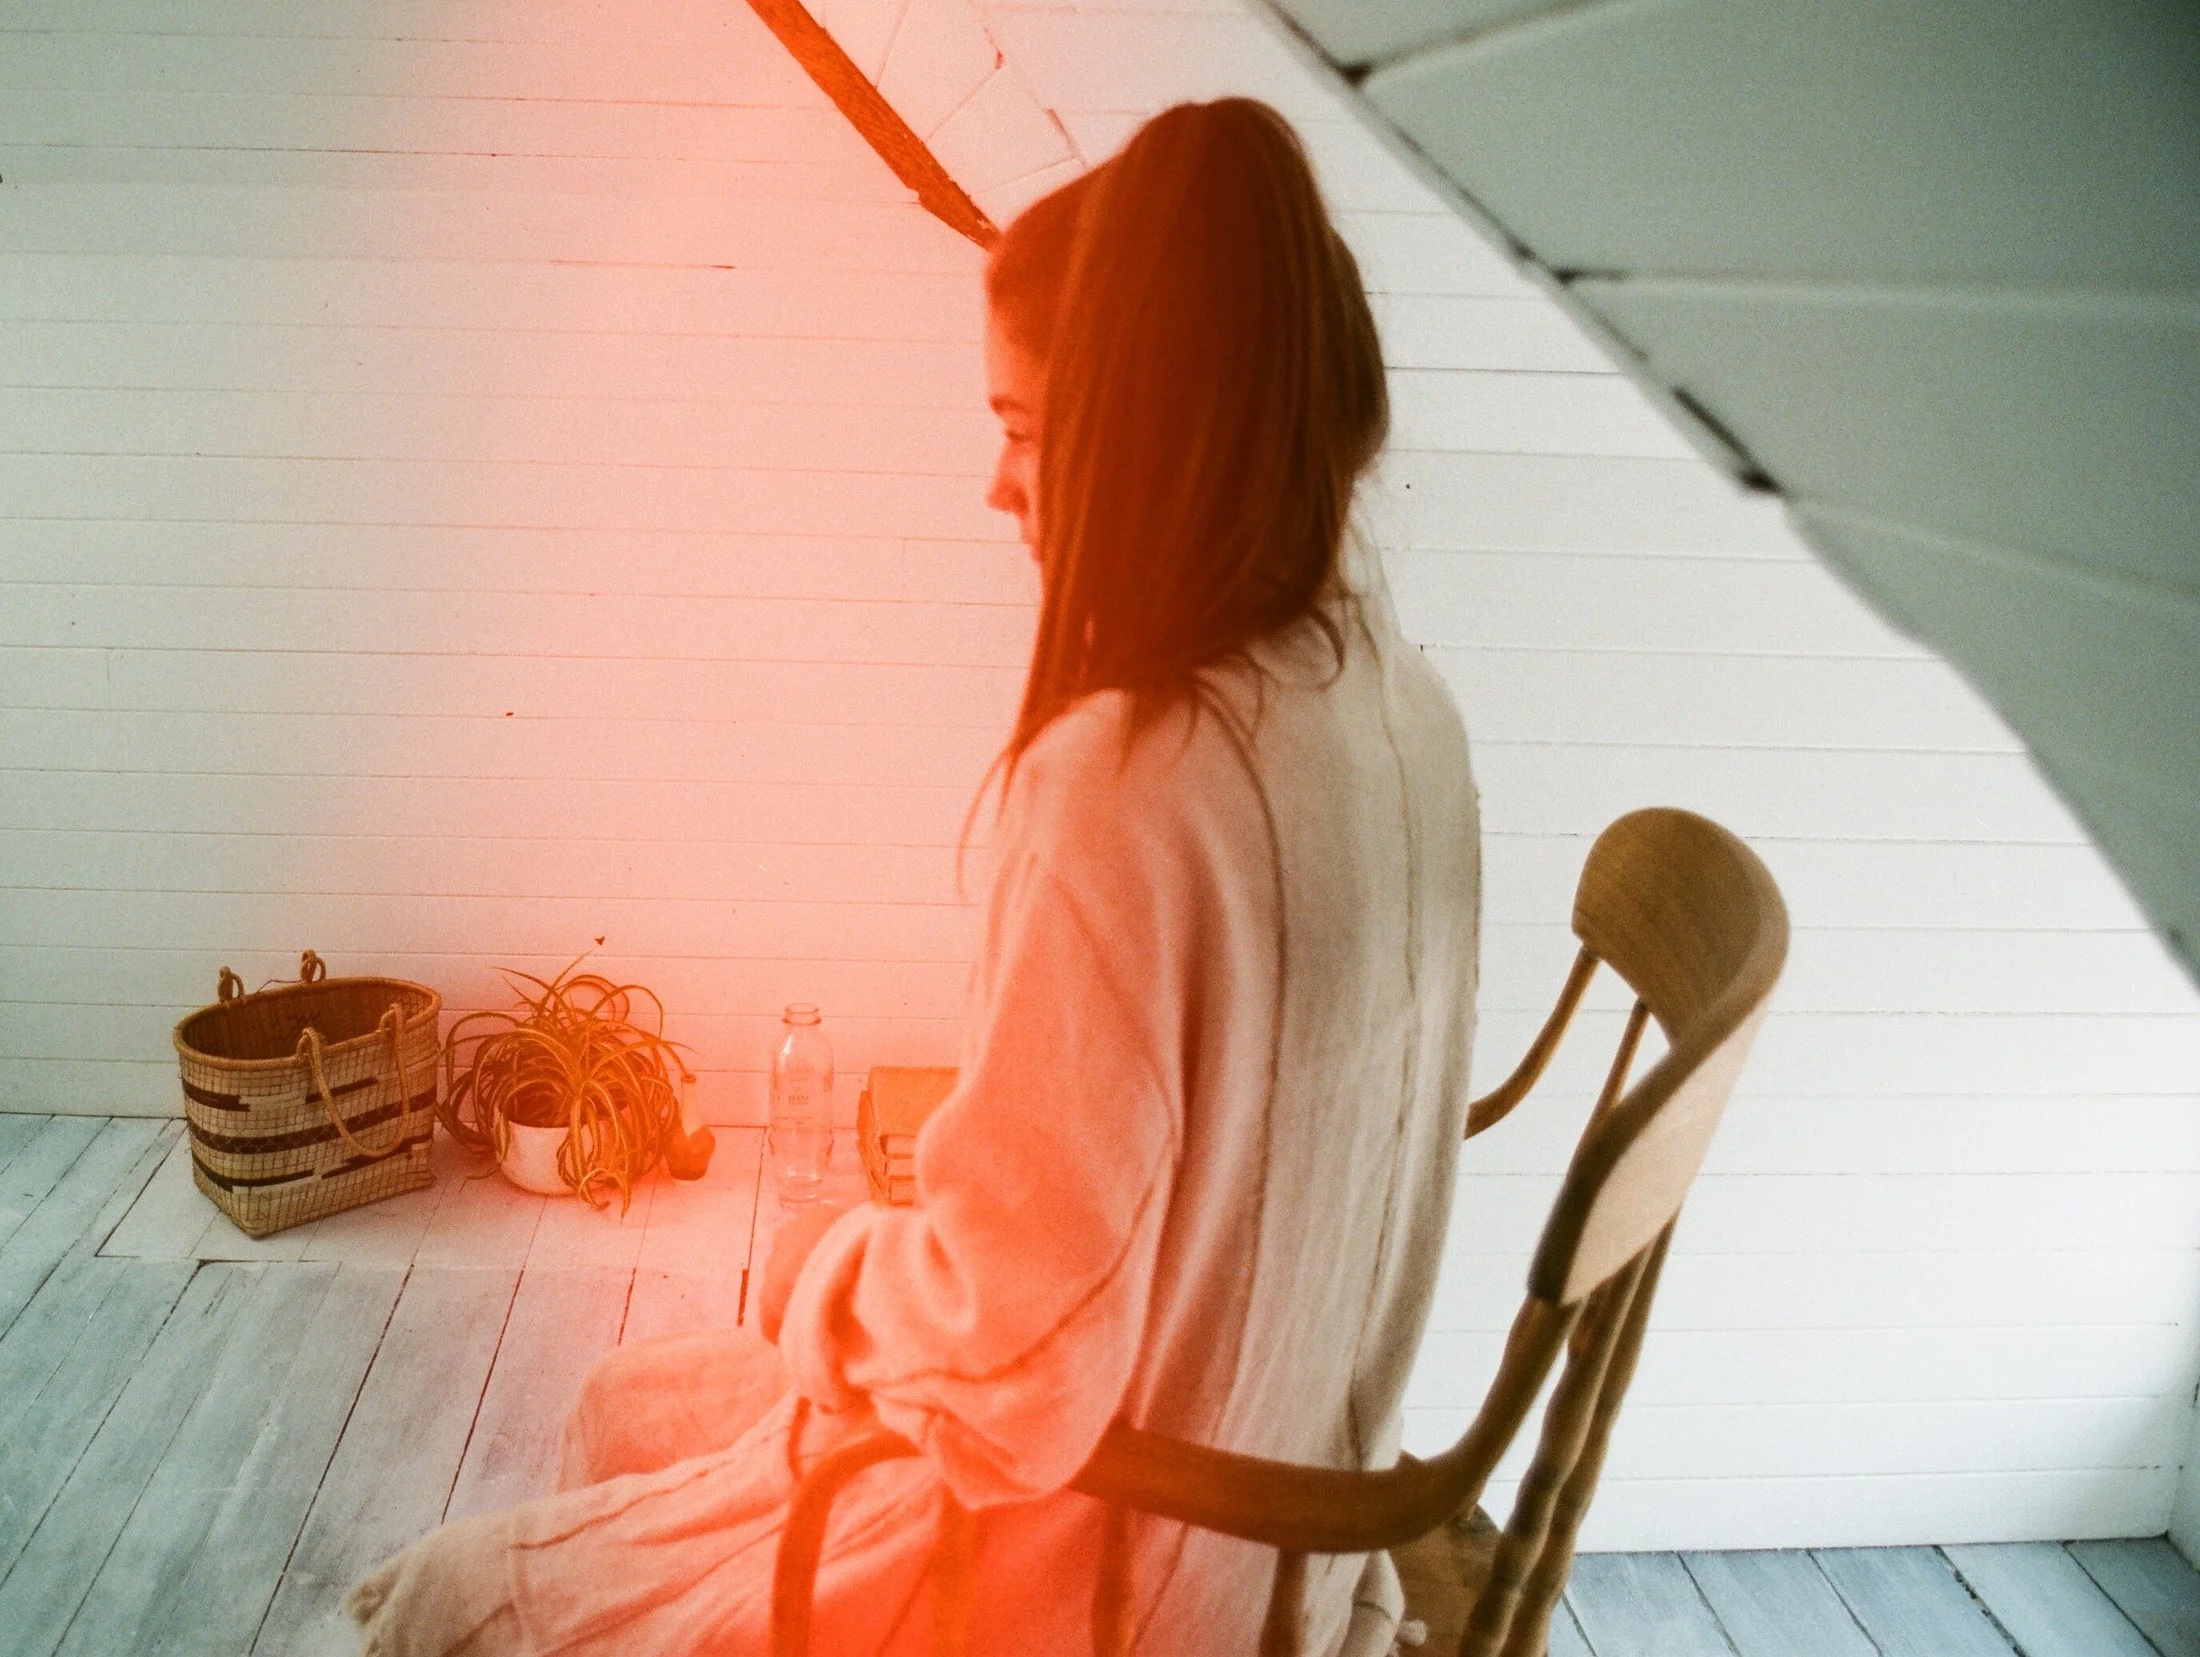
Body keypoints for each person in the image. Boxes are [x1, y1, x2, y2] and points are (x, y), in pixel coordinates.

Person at [344, 96, 1481, 1657]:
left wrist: (821, 1272)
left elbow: (1015, 1377)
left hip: (1115, 1579)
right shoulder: (1402, 711)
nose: (998, 487)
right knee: (622, 1400)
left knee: (450, 1610)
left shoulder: (1132, 783)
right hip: (1276, 1520)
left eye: (1022, 428)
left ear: (1145, 434)